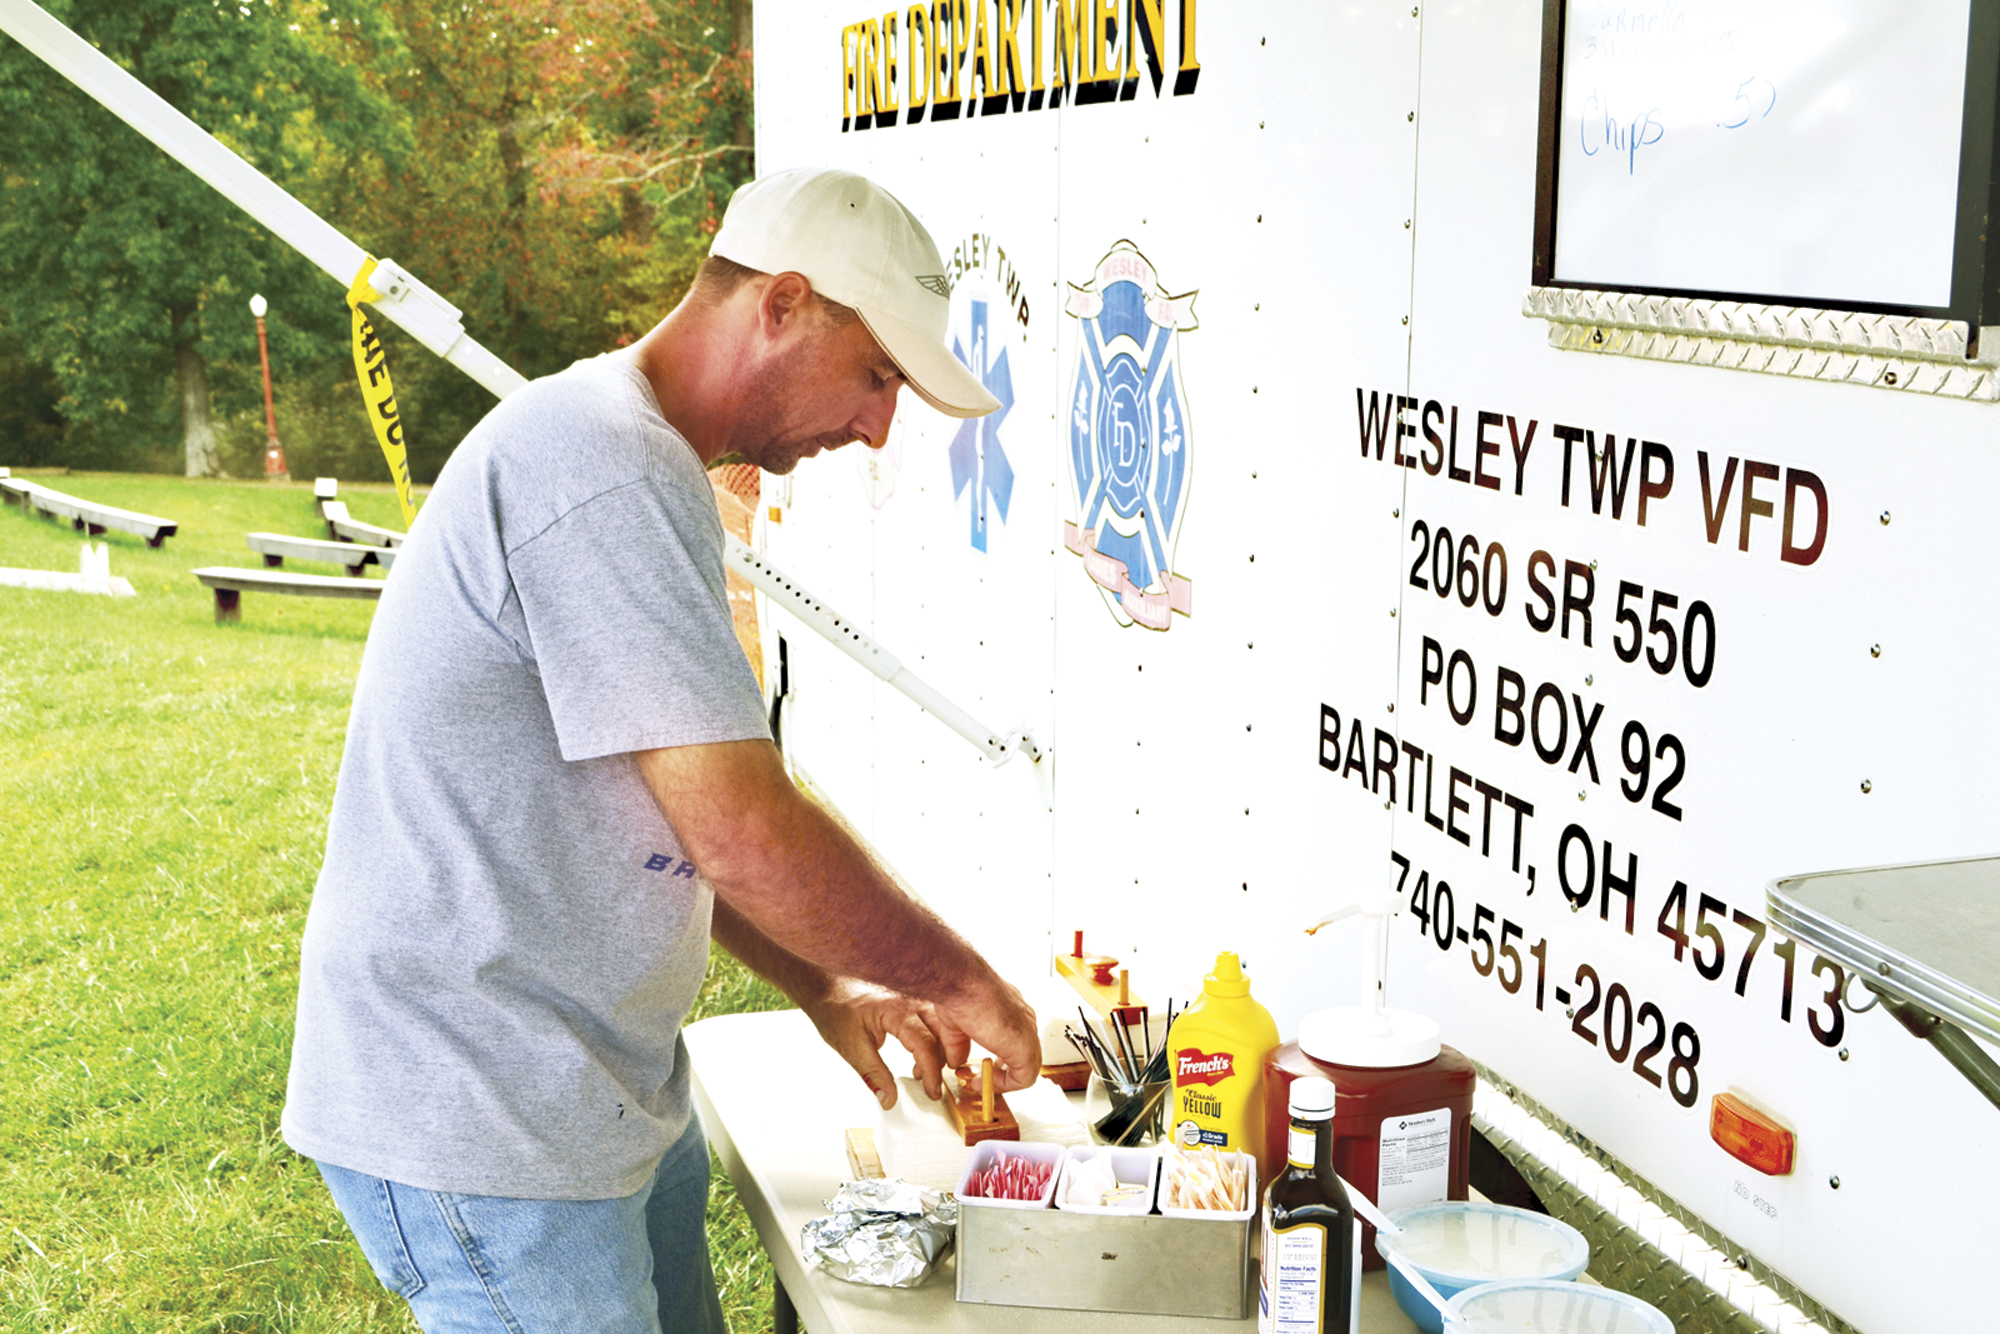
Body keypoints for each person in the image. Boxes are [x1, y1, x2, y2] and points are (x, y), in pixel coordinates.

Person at [281, 167, 1040, 1333]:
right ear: (780, 303)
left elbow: (677, 816)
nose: (881, 422)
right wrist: (956, 977)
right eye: (878, 372)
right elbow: (741, 828)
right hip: (480, 1104)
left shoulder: (638, 461)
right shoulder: (601, 464)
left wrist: (827, 980)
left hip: (587, 1084)